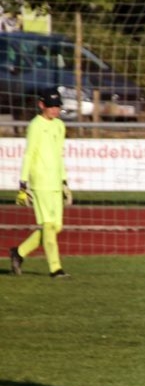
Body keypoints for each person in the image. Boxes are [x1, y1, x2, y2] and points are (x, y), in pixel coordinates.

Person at [10, 89, 73, 278]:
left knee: (56, 227)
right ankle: (55, 269)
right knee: (48, 226)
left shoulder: (60, 125)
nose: (55, 110)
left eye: (57, 106)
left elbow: (59, 155)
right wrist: (23, 183)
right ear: (41, 105)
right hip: (40, 182)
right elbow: (29, 154)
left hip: (55, 182)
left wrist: (64, 182)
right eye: (51, 106)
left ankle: (19, 252)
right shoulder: (35, 125)